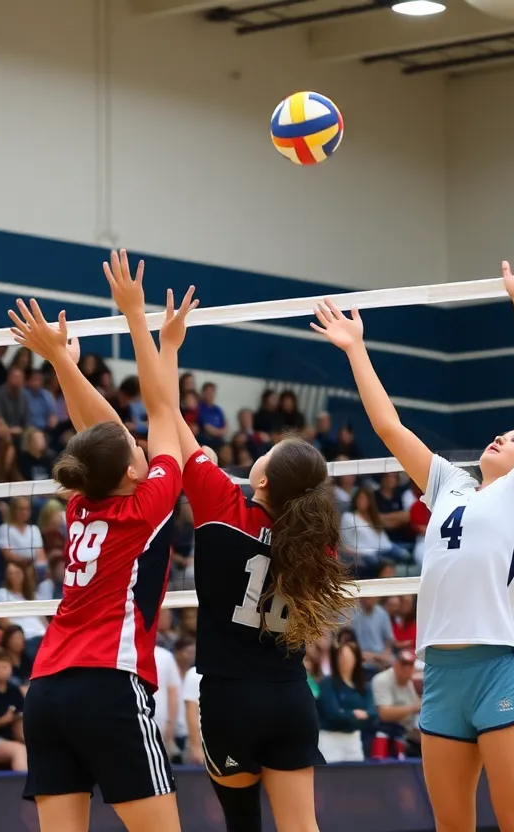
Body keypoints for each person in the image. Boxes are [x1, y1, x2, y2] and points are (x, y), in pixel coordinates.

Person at [313, 237, 514, 832]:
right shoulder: (448, 483)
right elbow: (388, 427)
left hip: (498, 664)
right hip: (441, 672)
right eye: (501, 433)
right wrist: (355, 350)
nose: (505, 436)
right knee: (451, 826)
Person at [9, 251, 192, 832]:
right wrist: (139, 320)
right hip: (108, 687)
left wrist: (63, 362)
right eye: (137, 448)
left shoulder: (82, 498)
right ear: (136, 472)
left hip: (46, 692)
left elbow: (97, 433)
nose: (141, 443)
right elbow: (161, 406)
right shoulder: (147, 504)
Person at [160, 278, 351, 832]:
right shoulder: (319, 544)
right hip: (291, 697)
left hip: (230, 697)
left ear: (262, 477)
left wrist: (169, 346)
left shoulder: (223, 504)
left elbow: (165, 411)